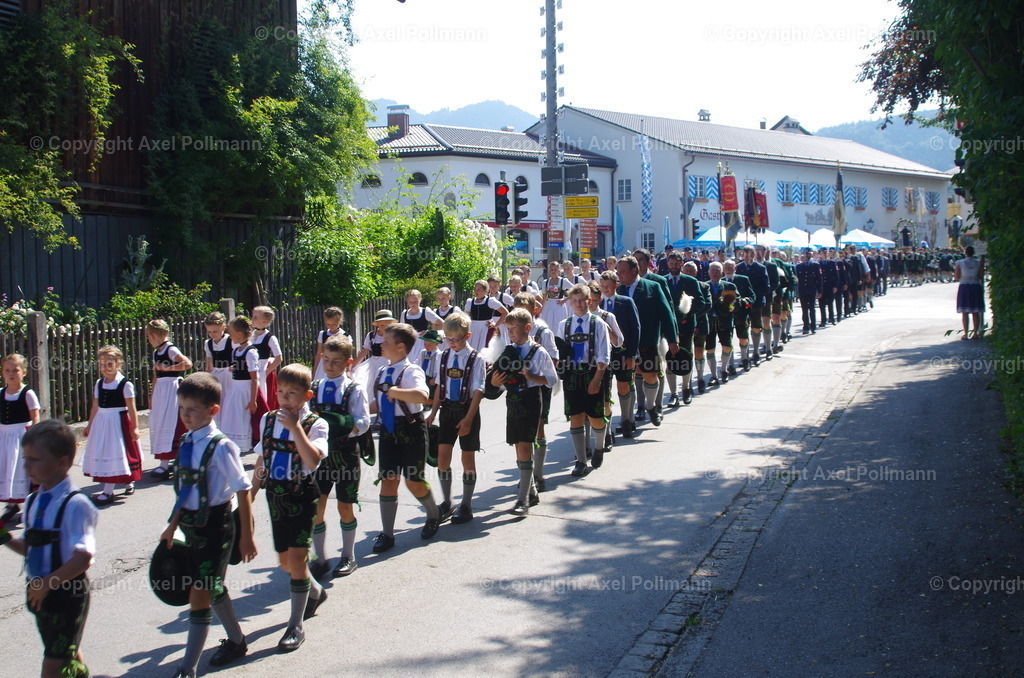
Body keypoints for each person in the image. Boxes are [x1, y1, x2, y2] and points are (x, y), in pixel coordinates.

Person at [162, 373, 256, 677]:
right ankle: (238, 640)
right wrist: (172, 525)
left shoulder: (221, 446)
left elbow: (242, 490)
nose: (185, 416)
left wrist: (247, 537)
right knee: (211, 587)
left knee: (199, 592)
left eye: (192, 409)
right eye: (181, 409)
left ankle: (187, 667)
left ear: (213, 410)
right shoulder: (187, 440)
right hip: (189, 526)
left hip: (216, 525)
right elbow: (185, 490)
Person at [2, 420, 97, 678]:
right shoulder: (33, 501)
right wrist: (5, 538)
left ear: (62, 462)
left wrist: (47, 584)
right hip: (40, 593)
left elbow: (83, 558)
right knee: (64, 651)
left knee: (53, 666)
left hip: (67, 595)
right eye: (25, 458)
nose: (26, 465)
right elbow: (32, 548)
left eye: (35, 459)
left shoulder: (76, 504)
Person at [250, 364, 330, 652]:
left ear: (307, 395)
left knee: (297, 559)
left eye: (292, 394)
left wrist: (296, 428)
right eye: (280, 392)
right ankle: (316, 592)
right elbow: (263, 459)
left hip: (302, 496)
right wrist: (251, 493)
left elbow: (311, 461)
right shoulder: (268, 420)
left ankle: (295, 625)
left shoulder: (317, 424)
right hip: (276, 495)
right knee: (285, 563)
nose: (284, 399)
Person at [370, 323, 442, 552]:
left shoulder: (412, 371)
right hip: (389, 431)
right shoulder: (382, 370)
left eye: (386, 341)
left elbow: (423, 395)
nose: (381, 344)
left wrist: (395, 391)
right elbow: (379, 403)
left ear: (400, 347)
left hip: (411, 429)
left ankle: (433, 513)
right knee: (388, 480)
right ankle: (387, 533)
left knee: (414, 481)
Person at [484, 308, 557, 516]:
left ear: (527, 327)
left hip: (531, 400)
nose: (510, 333)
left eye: (513, 328)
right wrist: (494, 381)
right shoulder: (508, 350)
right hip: (512, 400)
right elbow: (493, 377)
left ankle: (522, 500)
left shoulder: (539, 351)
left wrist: (534, 377)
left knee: (525, 447)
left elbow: (552, 379)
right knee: (518, 447)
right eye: (507, 329)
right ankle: (531, 491)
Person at [308, 335, 370, 579]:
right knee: (317, 507)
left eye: (336, 361)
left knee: (345, 505)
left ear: (348, 362)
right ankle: (320, 558)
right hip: (320, 457)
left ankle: (348, 554)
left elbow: (364, 421)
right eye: (326, 360)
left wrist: (343, 427)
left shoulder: (353, 389)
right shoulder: (314, 388)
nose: (330, 366)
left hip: (345, 454)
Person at [427, 312, 485, 524]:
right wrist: (432, 413)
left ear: (467, 336)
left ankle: (466, 504)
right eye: (447, 338)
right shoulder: (442, 356)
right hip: (447, 411)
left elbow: (478, 390)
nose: (451, 342)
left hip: (467, 409)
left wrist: (469, 419)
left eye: (456, 339)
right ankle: (447, 501)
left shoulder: (476, 358)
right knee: (442, 457)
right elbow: (440, 387)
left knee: (467, 459)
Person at [615, 256, 678, 427]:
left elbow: (666, 314)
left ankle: (651, 406)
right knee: (628, 380)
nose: (618, 275)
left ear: (634, 271)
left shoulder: (652, 287)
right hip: (625, 345)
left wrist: (672, 339)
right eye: (617, 272)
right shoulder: (618, 290)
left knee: (651, 376)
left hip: (648, 341)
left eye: (622, 272)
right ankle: (629, 417)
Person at [557, 284, 611, 475]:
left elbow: (604, 354)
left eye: (582, 300)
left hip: (592, 372)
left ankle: (598, 446)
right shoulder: (564, 325)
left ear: (589, 301)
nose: (579, 304)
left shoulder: (598, 324)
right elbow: (559, 353)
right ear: (570, 303)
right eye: (575, 301)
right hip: (572, 375)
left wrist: (597, 379)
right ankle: (580, 460)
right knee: (575, 416)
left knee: (596, 417)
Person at [82, 345, 142, 505]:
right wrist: (90, 425)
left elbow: (131, 407)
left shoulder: (124, 384)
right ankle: (128, 481)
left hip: (118, 423)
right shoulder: (99, 383)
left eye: (109, 364)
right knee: (108, 454)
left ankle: (108, 492)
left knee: (117, 452)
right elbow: (95, 406)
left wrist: (135, 427)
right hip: (103, 423)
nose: (105, 368)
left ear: (118, 363)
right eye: (102, 365)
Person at [147, 319, 192, 481]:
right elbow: (155, 375)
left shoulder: (170, 349)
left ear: (152, 336)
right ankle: (169, 460)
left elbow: (187, 364)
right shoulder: (156, 352)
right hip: (161, 390)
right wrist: (152, 395)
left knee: (171, 422)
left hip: (172, 389)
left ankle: (166, 463)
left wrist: (168, 368)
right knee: (161, 422)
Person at [598, 271, 640, 437]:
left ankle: (626, 419)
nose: (605, 289)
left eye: (608, 286)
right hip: (605, 354)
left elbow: (635, 329)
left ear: (616, 285)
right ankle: (607, 426)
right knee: (606, 390)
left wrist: (632, 355)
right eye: (602, 286)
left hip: (622, 352)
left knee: (624, 385)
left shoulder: (626, 302)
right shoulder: (597, 305)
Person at [664, 254, 709, 405]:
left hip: (686, 326)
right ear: (667, 264)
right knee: (669, 357)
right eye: (671, 263)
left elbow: (701, 302)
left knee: (685, 357)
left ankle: (686, 388)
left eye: (677, 263)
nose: (674, 266)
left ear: (681, 264)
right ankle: (673, 393)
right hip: (668, 327)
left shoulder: (690, 281)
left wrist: (687, 312)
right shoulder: (662, 281)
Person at [0, 354, 40, 523]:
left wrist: (35, 439)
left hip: (21, 436)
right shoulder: (1, 393)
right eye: (7, 370)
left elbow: (35, 417)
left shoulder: (27, 393)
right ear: (2, 373)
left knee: (21, 470)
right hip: (4, 436)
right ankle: (11, 504)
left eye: (15, 370)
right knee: (7, 468)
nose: (11, 374)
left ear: (23, 372)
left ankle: (28, 505)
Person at [221, 316, 261, 454]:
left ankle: (243, 445)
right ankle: (233, 444)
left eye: (231, 334)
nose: (230, 337)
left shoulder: (250, 352)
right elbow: (241, 366)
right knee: (231, 416)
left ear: (239, 333)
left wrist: (253, 400)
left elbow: (254, 378)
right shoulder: (236, 351)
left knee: (242, 418)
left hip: (244, 390)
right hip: (235, 388)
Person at [702, 262, 740, 385]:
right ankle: (713, 375)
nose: (714, 273)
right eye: (712, 270)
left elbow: (737, 302)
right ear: (708, 272)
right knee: (710, 349)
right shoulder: (703, 286)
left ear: (722, 272)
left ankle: (723, 370)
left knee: (727, 346)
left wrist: (730, 306)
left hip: (725, 321)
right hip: (709, 322)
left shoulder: (730, 286)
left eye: (717, 270)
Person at [735, 246, 771, 366]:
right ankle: (744, 357)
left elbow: (766, 287)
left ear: (754, 254)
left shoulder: (760, 268)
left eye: (749, 253)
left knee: (756, 327)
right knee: (742, 329)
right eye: (744, 253)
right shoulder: (738, 267)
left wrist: (753, 296)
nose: (746, 256)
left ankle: (755, 353)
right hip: (742, 304)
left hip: (756, 303)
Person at [722, 259, 755, 373]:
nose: (728, 269)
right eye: (726, 267)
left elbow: (752, 296)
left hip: (741, 314)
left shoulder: (743, 280)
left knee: (743, 338)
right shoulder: (721, 282)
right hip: (726, 316)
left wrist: (746, 301)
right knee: (728, 340)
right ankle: (730, 365)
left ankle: (744, 358)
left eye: (730, 267)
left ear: (735, 268)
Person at [203, 312, 232, 425]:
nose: (212, 334)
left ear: (223, 327)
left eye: (215, 331)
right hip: (216, 375)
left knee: (227, 401)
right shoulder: (208, 343)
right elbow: (209, 363)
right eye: (209, 332)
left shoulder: (231, 340)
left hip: (228, 375)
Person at [252, 306, 284, 410]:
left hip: (261, 368)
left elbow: (279, 358)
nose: (252, 319)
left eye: (255, 317)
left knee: (262, 396)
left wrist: (265, 372)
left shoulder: (269, 337)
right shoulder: (250, 335)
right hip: (250, 368)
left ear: (264, 321)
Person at [354, 310, 397, 385]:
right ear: (377, 325)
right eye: (382, 325)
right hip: (373, 364)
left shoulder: (393, 335)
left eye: (388, 325)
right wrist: (353, 365)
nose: (385, 328)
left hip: (388, 363)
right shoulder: (371, 335)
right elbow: (365, 351)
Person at [464, 280, 507, 353]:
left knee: (485, 348)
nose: (476, 291)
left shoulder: (490, 301)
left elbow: (505, 312)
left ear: (485, 290)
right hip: (473, 328)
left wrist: (496, 324)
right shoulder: (470, 302)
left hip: (485, 329)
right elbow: (466, 316)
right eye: (475, 289)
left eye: (478, 289)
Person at [954, 245, 985, 339]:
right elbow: (981, 275)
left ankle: (966, 333)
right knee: (976, 311)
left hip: (964, 285)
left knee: (965, 311)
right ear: (973, 252)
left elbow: (956, 276)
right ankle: (975, 333)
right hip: (975, 285)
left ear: (965, 253)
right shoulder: (979, 263)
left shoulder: (960, 263)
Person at [401, 289, 442, 359]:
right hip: (410, 343)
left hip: (422, 342)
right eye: (410, 302)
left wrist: (430, 333)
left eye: (415, 301)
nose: (413, 304)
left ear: (420, 300)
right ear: (407, 302)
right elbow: (401, 330)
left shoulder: (425, 311)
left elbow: (441, 323)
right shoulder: (404, 313)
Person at [312, 307, 346, 383]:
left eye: (333, 324)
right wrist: (315, 370)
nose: (330, 326)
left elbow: (347, 355)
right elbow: (319, 353)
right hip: (323, 365)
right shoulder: (322, 334)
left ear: (339, 321)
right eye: (328, 324)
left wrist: (348, 370)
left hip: (338, 364)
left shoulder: (345, 335)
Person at [796, 249, 823, 334]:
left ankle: (813, 326)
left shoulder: (815, 265)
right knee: (804, 309)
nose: (807, 255)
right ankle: (806, 326)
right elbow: (797, 279)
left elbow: (819, 278)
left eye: (808, 254)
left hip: (811, 289)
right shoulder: (799, 266)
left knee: (812, 308)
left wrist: (820, 290)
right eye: (805, 254)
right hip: (803, 290)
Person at [540, 261, 573, 330]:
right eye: (551, 269)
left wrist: (565, 300)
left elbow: (575, 289)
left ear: (559, 270)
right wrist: (541, 310)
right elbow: (544, 297)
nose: (553, 271)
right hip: (549, 305)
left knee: (558, 325)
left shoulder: (563, 281)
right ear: (549, 271)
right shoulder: (545, 282)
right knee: (548, 324)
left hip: (559, 305)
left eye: (555, 269)